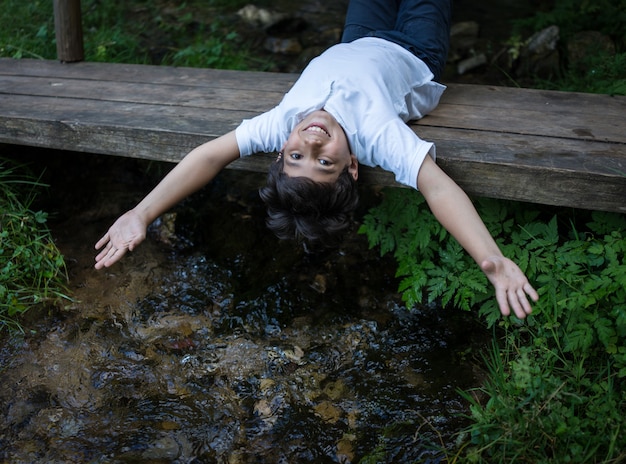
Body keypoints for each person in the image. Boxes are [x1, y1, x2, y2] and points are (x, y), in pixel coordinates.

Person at [95, 0, 539, 319]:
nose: (311, 143)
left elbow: (210, 156)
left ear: (279, 151)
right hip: (415, 50)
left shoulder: (282, 124)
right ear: (351, 166)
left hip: (357, 38)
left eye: (297, 156)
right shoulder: (376, 133)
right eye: (324, 162)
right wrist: (492, 260)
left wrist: (142, 212)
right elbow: (437, 187)